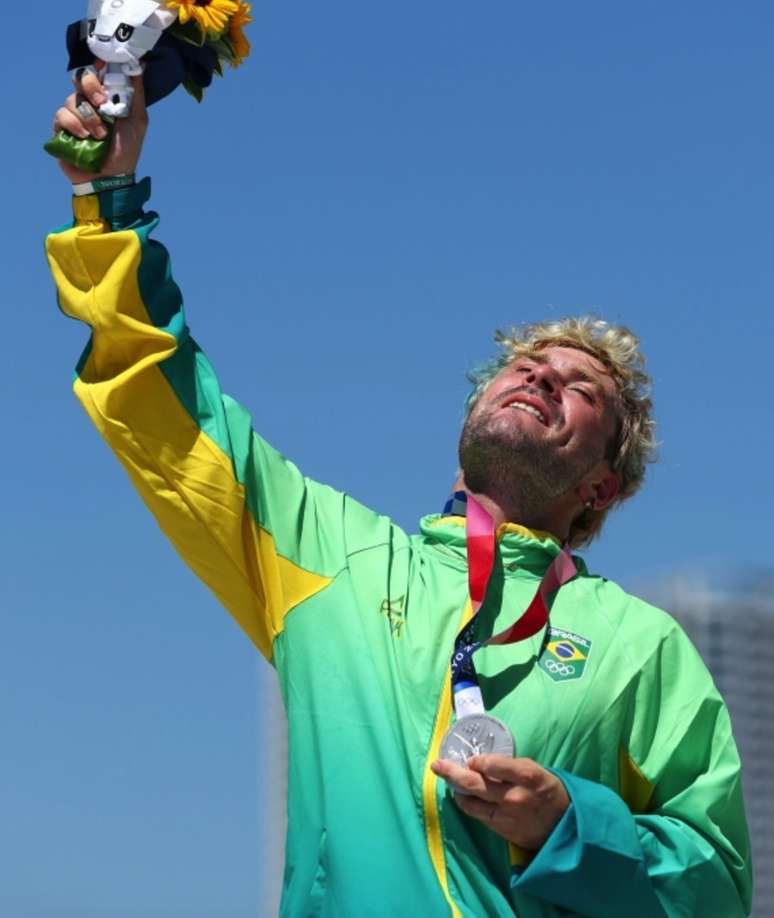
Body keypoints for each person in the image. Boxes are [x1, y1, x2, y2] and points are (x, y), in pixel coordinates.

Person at [46, 71, 752, 918]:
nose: (540, 374)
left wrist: (571, 825)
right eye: (524, 366)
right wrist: (107, 197)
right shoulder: (324, 554)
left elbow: (716, 884)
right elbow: (166, 405)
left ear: (602, 484)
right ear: (470, 415)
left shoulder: (641, 645)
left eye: (581, 388)